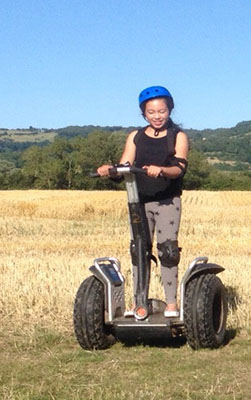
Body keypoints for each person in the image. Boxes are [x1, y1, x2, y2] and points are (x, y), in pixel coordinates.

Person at [97, 86, 189, 318]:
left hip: (167, 200)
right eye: (151, 112)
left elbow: (179, 168)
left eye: (162, 111)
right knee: (139, 250)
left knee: (168, 251)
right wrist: (110, 170)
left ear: (170, 110)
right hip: (138, 201)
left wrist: (162, 171)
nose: (157, 116)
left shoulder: (177, 136)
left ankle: (171, 304)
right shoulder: (136, 136)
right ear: (144, 113)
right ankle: (140, 303)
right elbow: (125, 165)